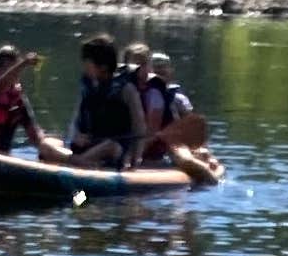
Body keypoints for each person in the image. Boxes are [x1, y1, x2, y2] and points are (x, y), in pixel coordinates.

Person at [143, 44, 221, 179]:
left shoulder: (178, 99)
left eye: (163, 67)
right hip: (146, 140)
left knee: (186, 160)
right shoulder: (139, 94)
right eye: (156, 68)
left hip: (173, 144)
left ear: (170, 71)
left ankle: (212, 179)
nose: (159, 71)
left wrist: (203, 150)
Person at [66, 31, 140, 169]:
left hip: (113, 150)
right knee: (48, 144)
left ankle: (74, 163)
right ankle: (80, 161)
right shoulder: (88, 88)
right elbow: (75, 123)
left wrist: (135, 161)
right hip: (89, 146)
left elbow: (139, 127)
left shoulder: (127, 89)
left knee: (110, 146)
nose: (84, 67)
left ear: (103, 67)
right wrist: (77, 136)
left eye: (88, 63)